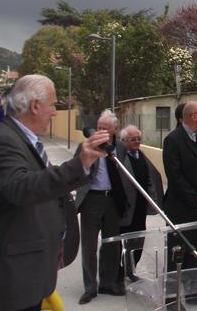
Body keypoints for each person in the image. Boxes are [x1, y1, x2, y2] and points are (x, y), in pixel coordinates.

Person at [0, 74, 109, 311]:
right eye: (53, 105)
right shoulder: (3, 140)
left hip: (32, 274)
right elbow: (22, 188)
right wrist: (79, 164)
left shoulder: (23, 139)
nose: (55, 112)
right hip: (14, 283)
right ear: (35, 106)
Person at [162, 101, 197, 309]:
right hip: (181, 209)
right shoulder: (173, 140)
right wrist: (196, 199)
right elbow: (175, 177)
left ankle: (194, 292)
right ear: (193, 116)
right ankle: (173, 300)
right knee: (178, 255)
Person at [74, 110, 130, 304]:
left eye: (105, 128)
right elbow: (75, 169)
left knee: (111, 244)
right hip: (92, 199)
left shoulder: (121, 148)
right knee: (89, 245)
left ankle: (107, 283)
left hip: (112, 200)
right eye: (98, 127)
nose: (100, 131)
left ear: (115, 130)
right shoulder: (87, 145)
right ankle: (90, 287)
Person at [117, 125, 163, 282]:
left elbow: (151, 178)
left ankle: (130, 270)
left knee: (138, 241)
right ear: (123, 141)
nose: (137, 141)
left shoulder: (141, 155)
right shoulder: (119, 158)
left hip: (140, 207)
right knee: (121, 243)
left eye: (138, 138)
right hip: (124, 208)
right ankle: (117, 274)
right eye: (133, 139)